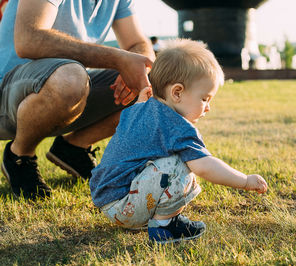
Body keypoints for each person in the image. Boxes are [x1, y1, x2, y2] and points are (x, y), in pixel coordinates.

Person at [89, 39, 268, 244]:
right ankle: (165, 226)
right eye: (205, 99)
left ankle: (151, 218)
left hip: (107, 199)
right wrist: (244, 181)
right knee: (181, 162)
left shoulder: (138, 108)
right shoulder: (177, 126)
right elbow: (205, 167)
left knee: (173, 158)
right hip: (124, 206)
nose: (208, 107)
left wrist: (140, 100)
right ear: (177, 92)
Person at [0, 0, 155, 200]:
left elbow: (137, 43)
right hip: (9, 89)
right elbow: (29, 39)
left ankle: (73, 148)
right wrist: (118, 59)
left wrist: (138, 64)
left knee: (154, 85)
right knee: (70, 77)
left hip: (69, 87)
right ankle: (19, 156)